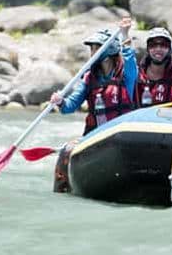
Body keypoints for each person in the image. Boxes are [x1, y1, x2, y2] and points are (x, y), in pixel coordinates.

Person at [50, 17, 136, 192]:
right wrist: (60, 101)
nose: (92, 52)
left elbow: (129, 58)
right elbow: (69, 107)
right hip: (95, 137)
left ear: (109, 49)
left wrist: (125, 34)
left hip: (121, 137)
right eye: (91, 48)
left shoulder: (127, 75)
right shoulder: (89, 77)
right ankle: (64, 192)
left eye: (96, 48)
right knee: (66, 151)